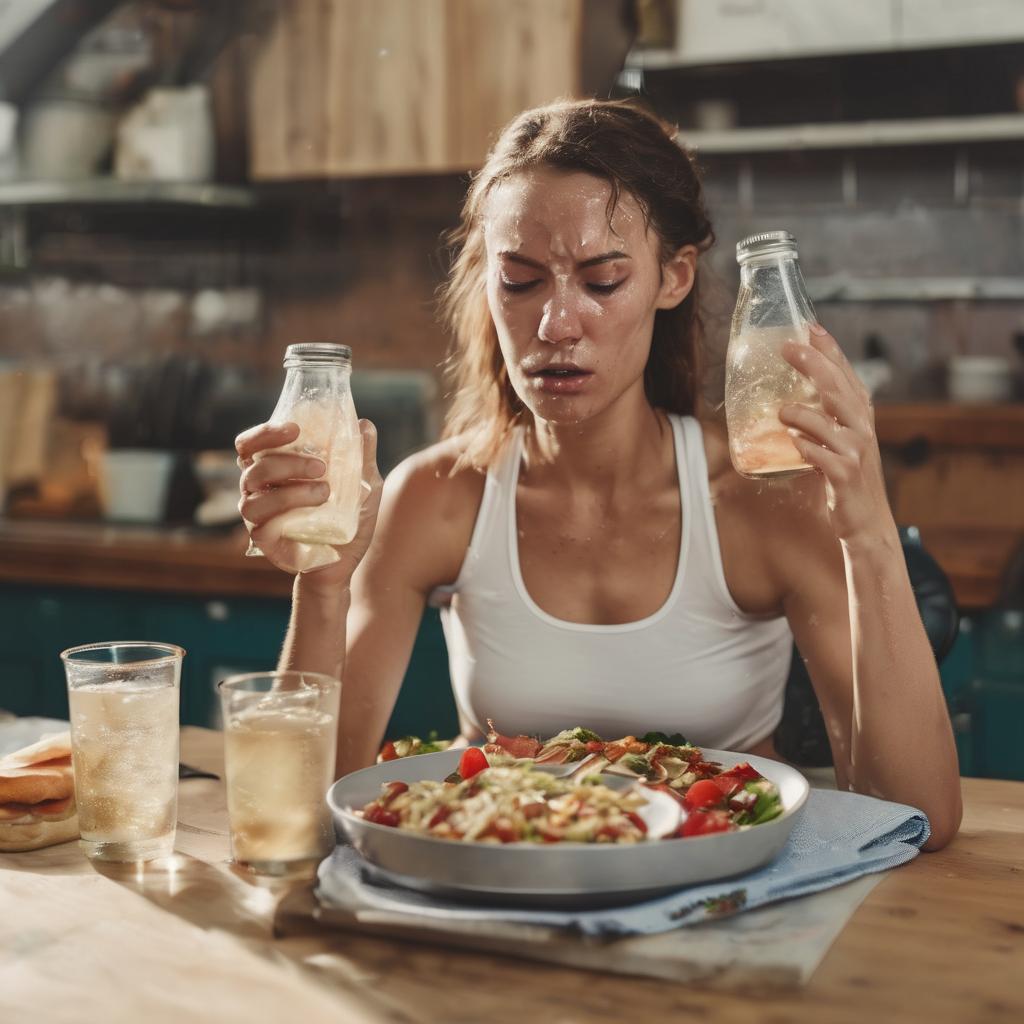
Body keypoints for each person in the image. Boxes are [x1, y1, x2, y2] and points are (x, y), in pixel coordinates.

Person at [235, 99, 961, 850]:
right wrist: (321, 586)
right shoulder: (438, 497)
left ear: (672, 277)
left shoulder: (762, 500)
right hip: (502, 897)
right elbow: (303, 809)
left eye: (603, 280)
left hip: (728, 901)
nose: (555, 325)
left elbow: (918, 817)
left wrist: (870, 531)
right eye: (519, 280)